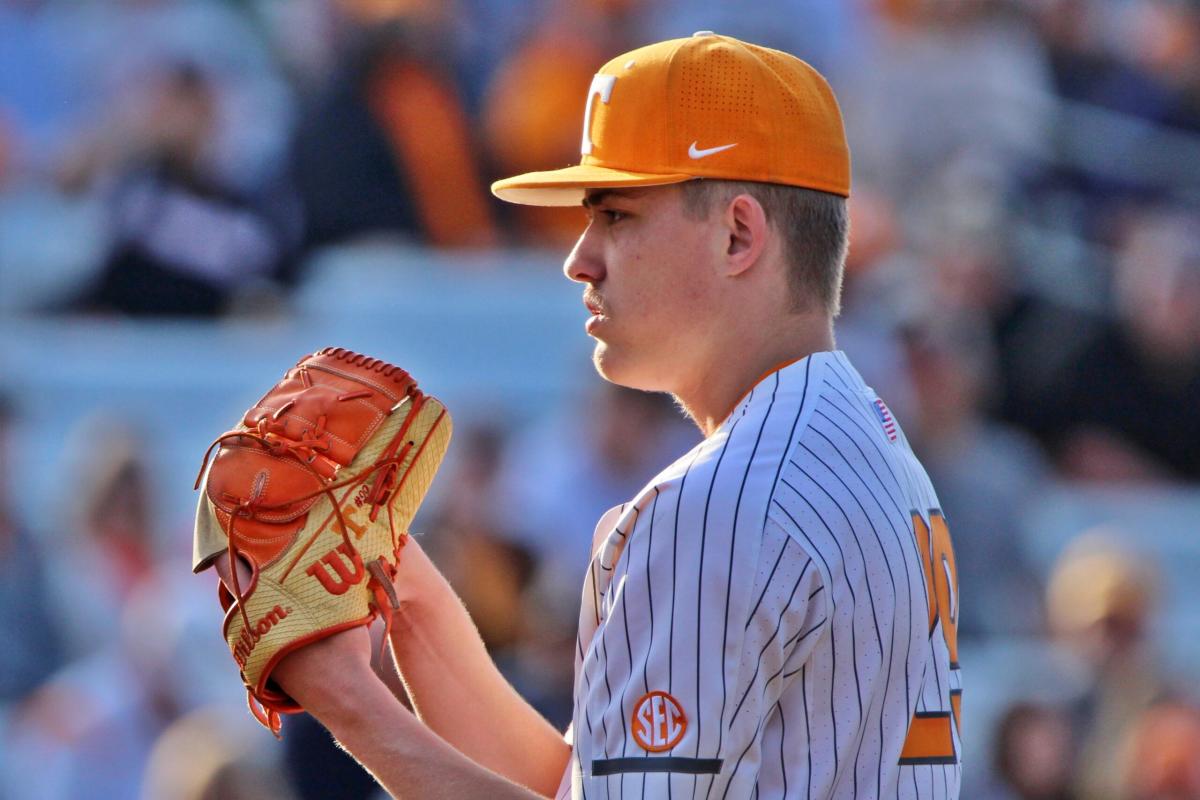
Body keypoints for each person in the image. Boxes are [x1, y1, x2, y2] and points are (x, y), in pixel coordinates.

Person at [215, 33, 963, 798]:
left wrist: (346, 701)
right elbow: (578, 782)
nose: (579, 257)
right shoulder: (864, 439)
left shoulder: (722, 504)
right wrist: (397, 581)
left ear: (739, 234)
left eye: (617, 216)